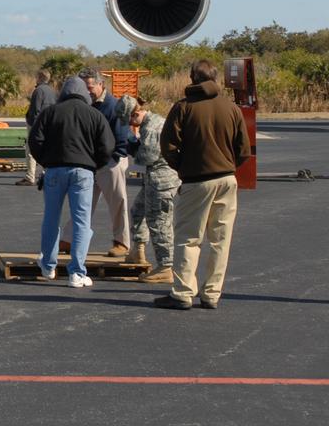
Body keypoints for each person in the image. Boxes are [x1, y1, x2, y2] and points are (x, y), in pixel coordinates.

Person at [154, 60, 251, 310]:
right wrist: (228, 165)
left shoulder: (183, 107)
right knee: (221, 239)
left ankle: (183, 292)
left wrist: (183, 167)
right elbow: (244, 150)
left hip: (197, 181)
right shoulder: (231, 108)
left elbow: (168, 146)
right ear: (216, 78)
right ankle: (212, 293)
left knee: (188, 238)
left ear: (191, 78)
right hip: (227, 179)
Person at [28, 76, 116, 288]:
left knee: (51, 218)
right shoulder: (94, 115)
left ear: (63, 92)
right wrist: (93, 165)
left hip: (54, 171)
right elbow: (108, 146)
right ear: (84, 93)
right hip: (83, 172)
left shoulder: (50, 112)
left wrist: (46, 162)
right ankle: (77, 273)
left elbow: (35, 141)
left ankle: (48, 266)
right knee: (81, 222)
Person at [62, 68, 134, 257]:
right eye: (83, 87)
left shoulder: (113, 105)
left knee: (118, 202)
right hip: (89, 163)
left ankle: (122, 242)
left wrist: (111, 160)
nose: (87, 91)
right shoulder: (84, 104)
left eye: (90, 87)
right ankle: (69, 239)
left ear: (102, 85)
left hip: (111, 162)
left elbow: (121, 138)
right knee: (83, 202)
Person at [123, 94, 178, 283]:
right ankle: (138, 250)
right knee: (138, 210)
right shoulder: (148, 124)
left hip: (161, 179)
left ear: (136, 113)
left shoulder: (153, 127)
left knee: (159, 221)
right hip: (154, 177)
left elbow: (147, 157)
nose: (130, 124)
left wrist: (132, 146)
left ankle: (165, 267)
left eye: (129, 119)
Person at [17, 69, 57, 186]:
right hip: (49, 124)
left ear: (39, 77)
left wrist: (32, 124)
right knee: (47, 149)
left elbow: (36, 110)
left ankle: (30, 177)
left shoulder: (38, 91)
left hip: (37, 125)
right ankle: (46, 174)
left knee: (31, 150)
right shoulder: (52, 91)